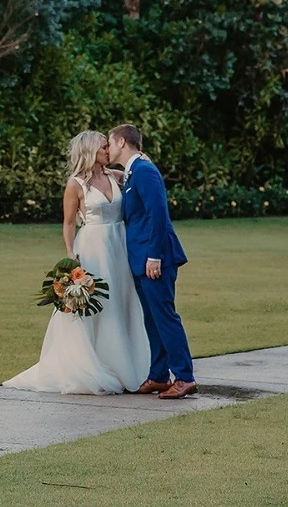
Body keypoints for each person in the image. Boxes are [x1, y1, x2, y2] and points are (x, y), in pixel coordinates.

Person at [4, 131, 151, 395]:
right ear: (89, 150)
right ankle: (94, 364)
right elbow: (69, 222)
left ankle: (130, 364)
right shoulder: (75, 185)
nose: (108, 149)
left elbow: (144, 175)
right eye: (103, 146)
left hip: (120, 244)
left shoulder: (116, 177)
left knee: (124, 300)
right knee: (98, 305)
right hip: (93, 247)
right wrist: (71, 255)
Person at [107, 124, 197, 399]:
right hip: (141, 259)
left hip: (155, 259)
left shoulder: (145, 171)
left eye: (110, 143)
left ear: (122, 142)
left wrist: (154, 256)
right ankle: (159, 375)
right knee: (152, 319)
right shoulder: (135, 172)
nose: (108, 149)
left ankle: (184, 377)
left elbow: (159, 215)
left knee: (165, 317)